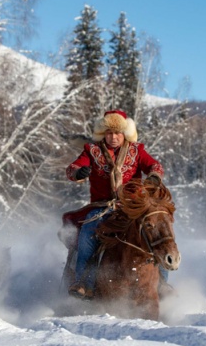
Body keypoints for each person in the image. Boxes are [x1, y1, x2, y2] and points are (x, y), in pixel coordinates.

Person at [65, 109, 165, 299]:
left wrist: (153, 176)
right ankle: (83, 283)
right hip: (102, 208)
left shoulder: (137, 151)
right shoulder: (92, 151)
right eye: (109, 133)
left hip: (133, 207)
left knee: (157, 231)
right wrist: (78, 173)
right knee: (88, 233)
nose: (113, 137)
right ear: (103, 134)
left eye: (117, 133)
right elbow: (72, 168)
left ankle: (162, 283)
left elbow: (155, 166)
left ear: (125, 134)